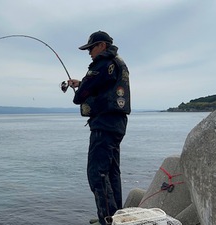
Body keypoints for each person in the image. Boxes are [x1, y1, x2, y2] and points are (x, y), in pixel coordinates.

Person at [67, 31, 131, 225]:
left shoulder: (103, 62)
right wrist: (83, 83)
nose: (89, 53)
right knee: (112, 173)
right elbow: (102, 84)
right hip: (117, 123)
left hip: (103, 124)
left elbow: (81, 95)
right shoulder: (118, 63)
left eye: (91, 48)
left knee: (97, 173)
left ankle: (107, 220)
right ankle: (116, 217)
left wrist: (80, 87)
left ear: (102, 45)